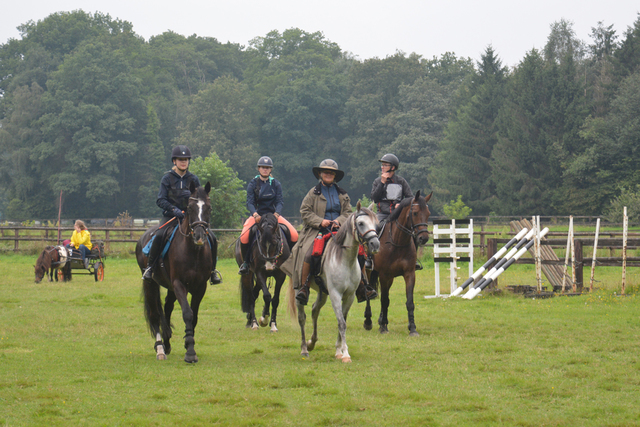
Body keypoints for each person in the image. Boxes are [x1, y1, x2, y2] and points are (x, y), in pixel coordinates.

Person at [284, 159, 375, 305]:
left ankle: (363, 286)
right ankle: (304, 287)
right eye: (325, 172)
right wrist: (320, 221)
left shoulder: (342, 194)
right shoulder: (312, 193)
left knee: (359, 251)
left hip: (339, 230)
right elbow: (305, 212)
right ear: (320, 174)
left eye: (331, 173)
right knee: (308, 252)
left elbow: (347, 212)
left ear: (335, 176)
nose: (328, 174)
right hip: (317, 230)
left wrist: (338, 220)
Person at [142, 145, 222, 284]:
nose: (183, 162)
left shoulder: (193, 179)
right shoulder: (167, 179)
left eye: (186, 159)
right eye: (180, 159)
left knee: (213, 238)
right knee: (159, 235)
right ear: (174, 161)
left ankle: (213, 271)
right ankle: (150, 268)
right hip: (171, 216)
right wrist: (174, 210)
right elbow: (160, 200)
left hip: (191, 217)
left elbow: (200, 199)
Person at [238, 156, 299, 274]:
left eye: (267, 168)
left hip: (273, 215)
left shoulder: (276, 184)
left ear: (270, 169)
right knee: (244, 237)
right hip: (258, 215)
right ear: (258, 169)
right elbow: (250, 202)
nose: (265, 169)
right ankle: (245, 263)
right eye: (262, 167)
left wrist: (277, 213)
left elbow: (280, 201)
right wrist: (255, 214)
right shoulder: (252, 184)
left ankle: (293, 262)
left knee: (294, 235)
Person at [369, 153, 421, 270]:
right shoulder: (377, 181)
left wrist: (401, 204)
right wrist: (382, 183)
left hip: (398, 215)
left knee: (413, 233)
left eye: (385, 165)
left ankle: (414, 260)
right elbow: (374, 198)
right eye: (382, 165)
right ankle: (369, 259)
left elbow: (410, 197)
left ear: (392, 167)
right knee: (372, 230)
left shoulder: (401, 181)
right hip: (383, 214)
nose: (382, 167)